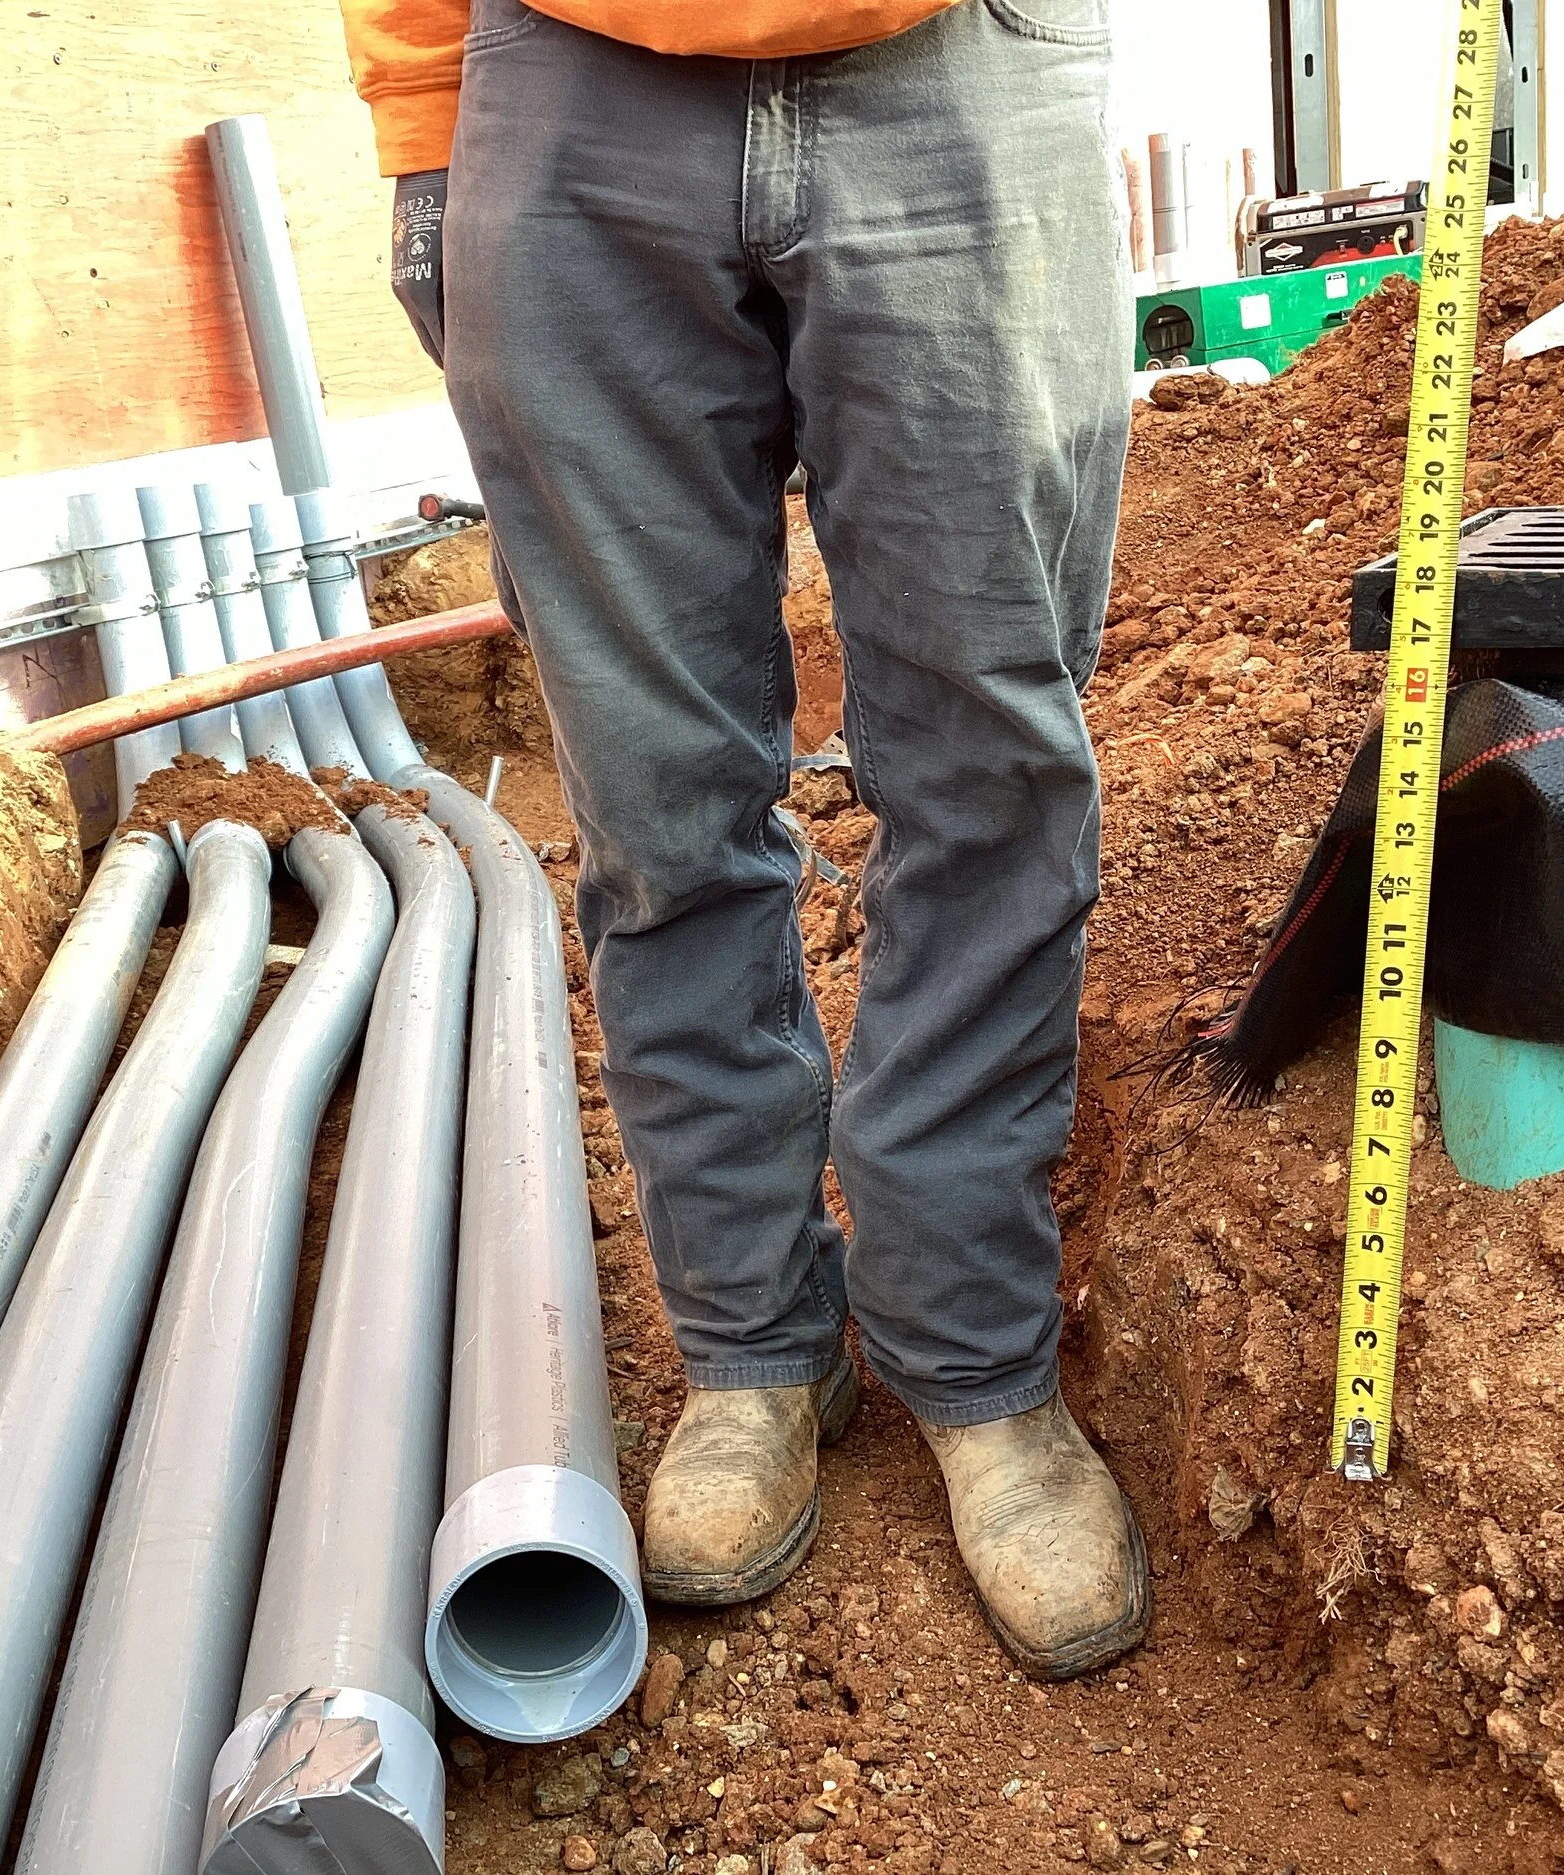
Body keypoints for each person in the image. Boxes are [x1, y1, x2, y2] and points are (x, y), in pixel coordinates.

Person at [339, 0, 1148, 1677]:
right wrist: (425, 117)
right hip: (568, 83)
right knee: (655, 794)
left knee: (989, 765)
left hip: (962, 66)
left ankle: (973, 1355)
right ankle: (756, 1343)